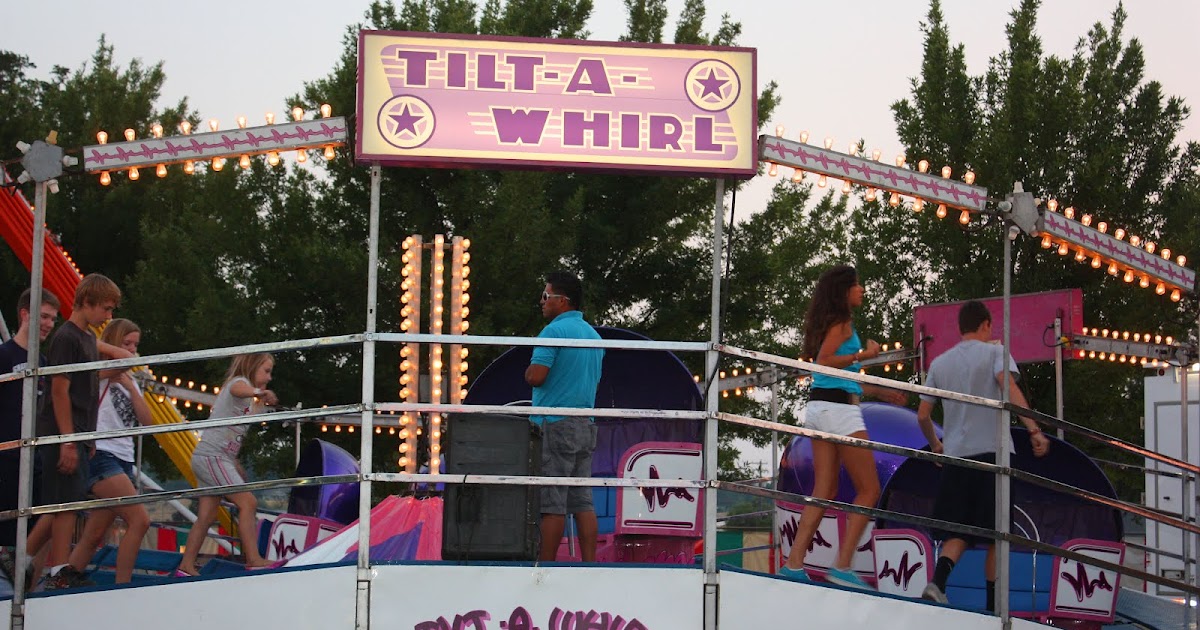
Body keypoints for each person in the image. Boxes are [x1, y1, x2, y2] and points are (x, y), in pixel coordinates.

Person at [916, 300, 1050, 608]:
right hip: (993, 453)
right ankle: (992, 607)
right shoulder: (995, 353)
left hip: (956, 457)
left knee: (960, 528)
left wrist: (936, 445)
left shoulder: (939, 363)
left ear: (961, 327)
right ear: (986, 324)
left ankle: (938, 582)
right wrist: (1034, 430)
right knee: (997, 533)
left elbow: (923, 415)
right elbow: (1009, 389)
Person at [779, 264, 906, 589]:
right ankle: (843, 565)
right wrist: (866, 353)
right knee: (869, 490)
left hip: (821, 408)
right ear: (844, 290)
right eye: (857, 285)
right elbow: (823, 361)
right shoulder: (843, 324)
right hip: (839, 413)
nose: (862, 290)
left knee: (825, 490)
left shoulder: (832, 324)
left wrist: (883, 392)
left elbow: (842, 379)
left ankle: (794, 564)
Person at [36, 274, 122, 590]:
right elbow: (60, 390)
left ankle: (54, 565)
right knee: (63, 504)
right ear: (87, 302)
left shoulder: (86, 338)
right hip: (64, 430)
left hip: (81, 432)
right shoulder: (67, 338)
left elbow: (89, 386)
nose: (108, 317)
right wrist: (68, 439)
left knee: (69, 501)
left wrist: (88, 437)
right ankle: (57, 568)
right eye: (106, 308)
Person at [55, 319, 153, 585]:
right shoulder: (96, 371)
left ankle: (65, 578)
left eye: (135, 345)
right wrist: (113, 369)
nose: (132, 350)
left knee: (95, 531)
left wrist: (131, 386)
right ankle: (123, 585)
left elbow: (148, 421)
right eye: (127, 344)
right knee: (139, 519)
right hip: (101, 454)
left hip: (124, 458)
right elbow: (82, 383)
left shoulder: (129, 379)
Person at [525, 271, 604, 562]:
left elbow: (537, 376)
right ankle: (589, 565)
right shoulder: (594, 336)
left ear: (563, 301)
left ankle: (544, 569)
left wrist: (528, 372)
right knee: (583, 501)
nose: (541, 301)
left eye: (546, 296)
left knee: (552, 501)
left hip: (554, 424)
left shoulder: (553, 332)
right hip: (585, 425)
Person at [176, 353, 278, 576]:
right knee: (248, 502)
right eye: (266, 371)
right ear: (252, 367)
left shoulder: (252, 401)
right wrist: (258, 392)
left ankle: (186, 565)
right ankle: (253, 558)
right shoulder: (240, 384)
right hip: (213, 457)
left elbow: (233, 436)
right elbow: (236, 390)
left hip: (214, 457)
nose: (269, 378)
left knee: (207, 516)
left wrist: (235, 464)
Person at [0, 289, 60, 585]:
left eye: (53, 318)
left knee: (46, 521)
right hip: (6, 459)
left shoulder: (46, 363)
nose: (49, 324)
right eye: (44, 316)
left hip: (36, 459)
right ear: (25, 314)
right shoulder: (4, 356)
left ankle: (32, 594)